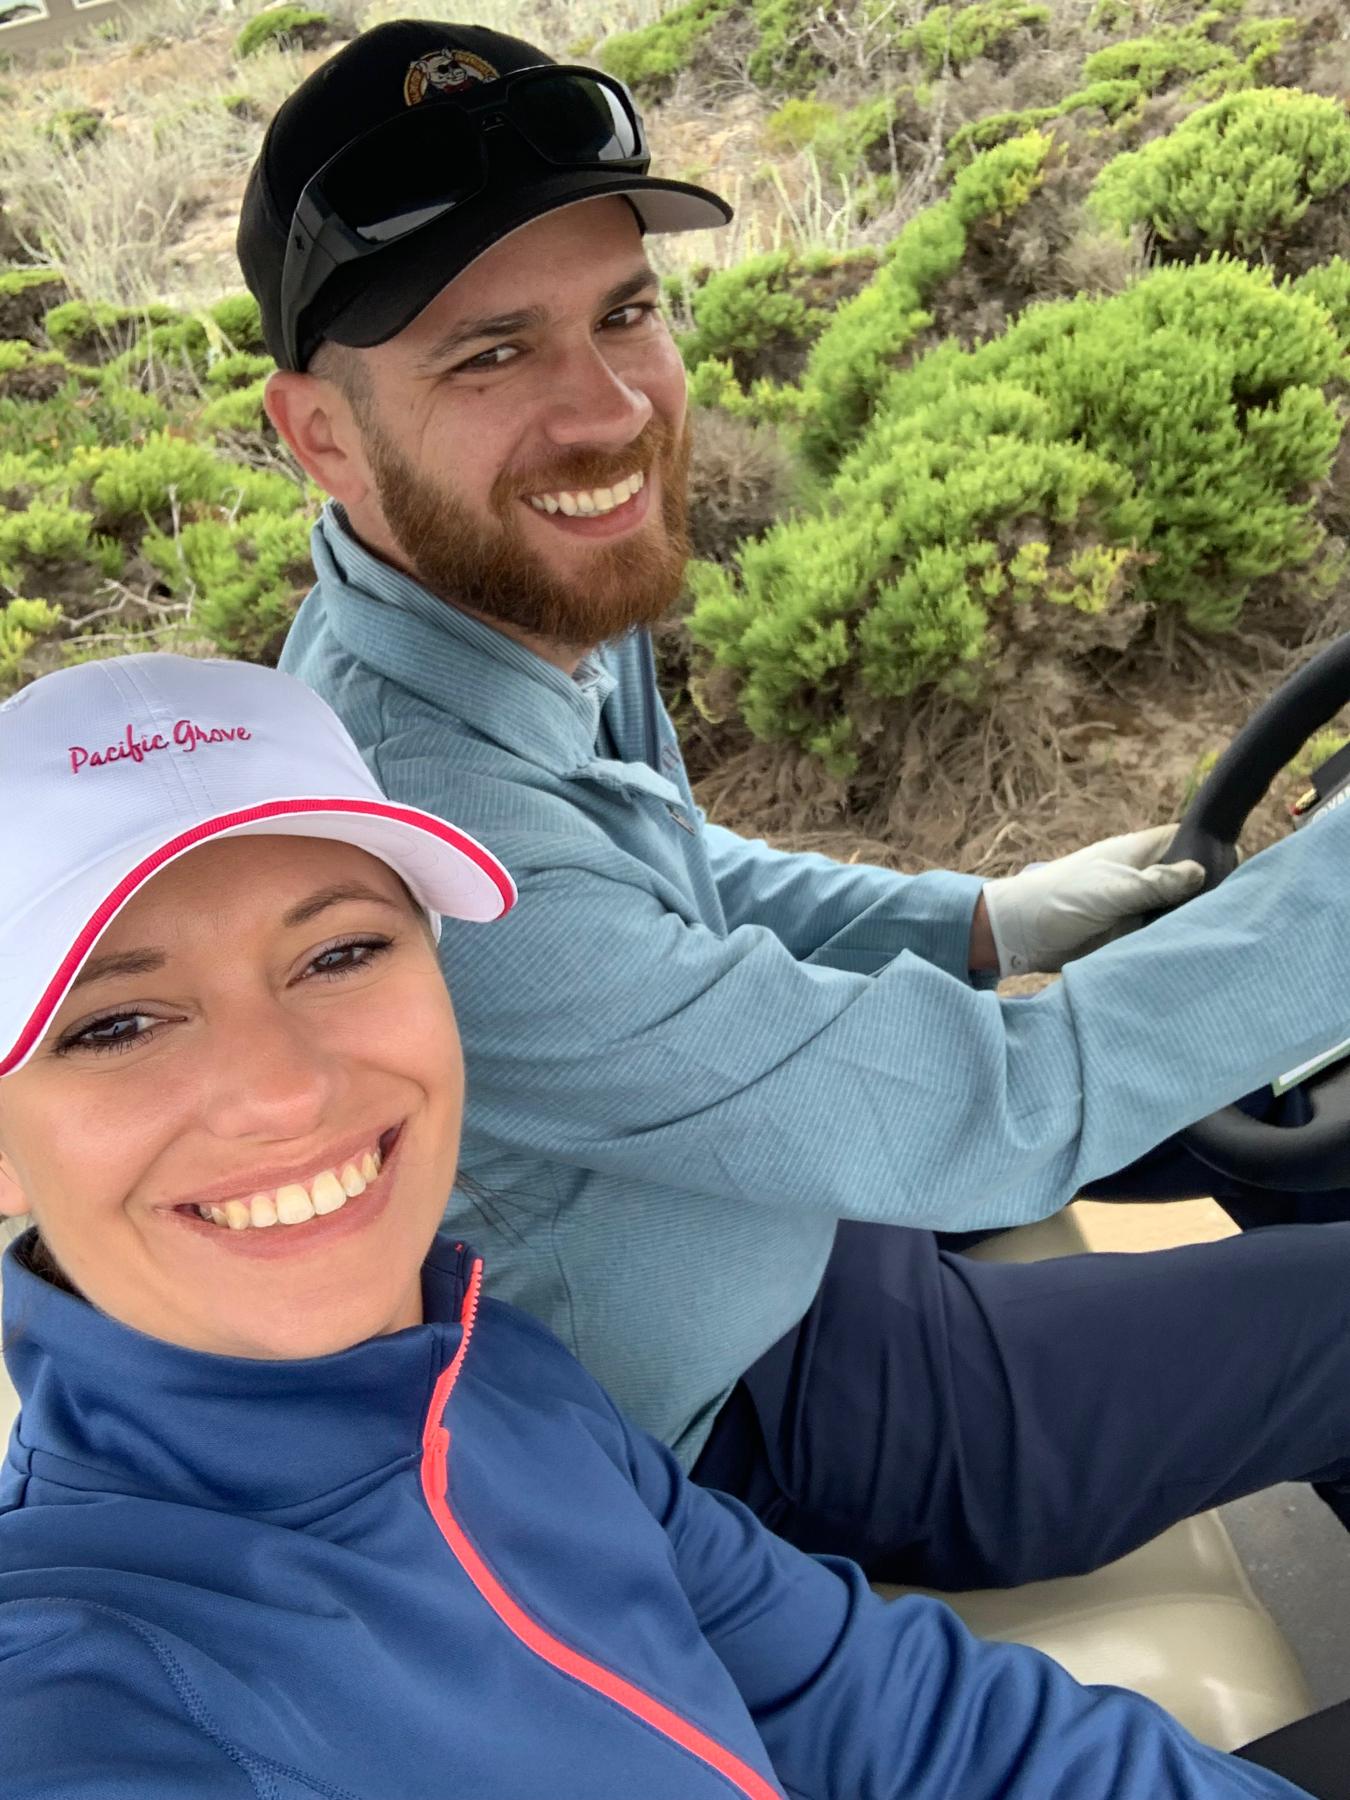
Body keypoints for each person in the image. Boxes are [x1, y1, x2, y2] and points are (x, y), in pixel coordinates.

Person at [243, 21, 1350, 1592]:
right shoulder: (418, 841)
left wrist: (980, 919)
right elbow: (991, 1115)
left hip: (773, 1204)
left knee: (1280, 1121)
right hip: (755, 1411)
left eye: (624, 313)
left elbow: (670, 878)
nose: (605, 410)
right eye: (488, 353)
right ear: (321, 434)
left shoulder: (494, 596)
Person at [5, 649, 1345, 1800]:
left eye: (341, 952)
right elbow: (990, 1117)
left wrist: (987, 917)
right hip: (792, 1370)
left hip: (791, 1251)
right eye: (115, 1024)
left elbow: (889, 1707)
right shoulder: (85, 1687)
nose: (284, 1092)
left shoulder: (491, 1374)